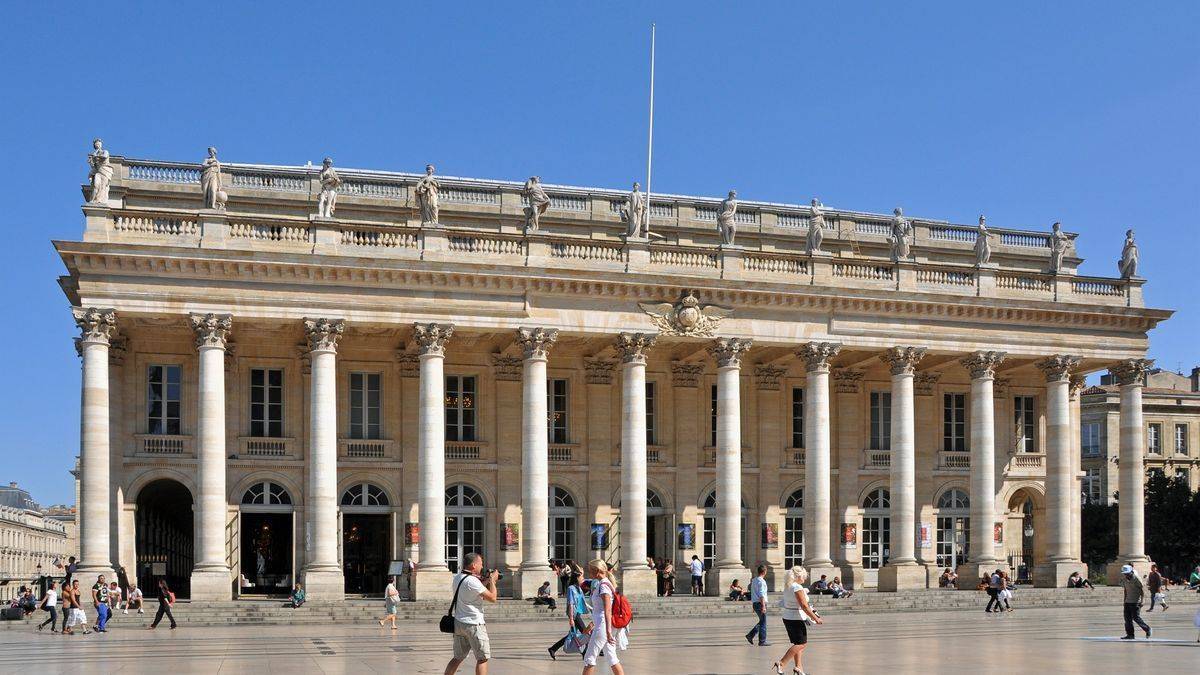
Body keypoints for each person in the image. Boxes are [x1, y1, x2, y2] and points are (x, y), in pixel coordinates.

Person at [445, 552, 498, 675]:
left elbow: (473, 589)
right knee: (482, 658)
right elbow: (492, 598)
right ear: (474, 565)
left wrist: (485, 582)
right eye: (481, 564)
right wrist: (493, 582)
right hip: (474, 624)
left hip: (459, 623)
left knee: (458, 657)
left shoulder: (458, 577)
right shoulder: (472, 581)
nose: (482, 566)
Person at [773, 565, 823, 675]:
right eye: (804, 577)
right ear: (798, 576)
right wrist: (816, 618)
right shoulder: (797, 587)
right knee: (802, 644)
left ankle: (798, 667)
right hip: (796, 618)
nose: (804, 579)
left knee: (797, 643)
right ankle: (781, 663)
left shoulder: (788, 586)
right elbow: (804, 606)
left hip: (787, 617)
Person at [581, 559, 626, 675]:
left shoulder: (604, 586)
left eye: (590, 570)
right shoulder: (603, 583)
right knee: (611, 657)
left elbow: (607, 610)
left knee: (589, 658)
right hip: (602, 624)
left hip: (603, 626)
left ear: (597, 571)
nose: (588, 572)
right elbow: (600, 610)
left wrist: (608, 631)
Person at [548, 569, 588, 660]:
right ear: (577, 578)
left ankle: (553, 649)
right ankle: (585, 652)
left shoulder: (579, 589)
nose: (583, 579)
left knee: (572, 634)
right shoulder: (571, 588)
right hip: (574, 615)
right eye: (581, 577)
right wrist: (571, 618)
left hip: (577, 613)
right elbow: (570, 603)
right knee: (585, 632)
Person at [1119, 564, 1151, 639]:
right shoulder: (1124, 579)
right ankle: (1130, 635)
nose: (1126, 575)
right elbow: (1125, 590)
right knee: (1127, 619)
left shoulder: (1137, 579)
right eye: (1124, 573)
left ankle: (1147, 629)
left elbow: (1142, 590)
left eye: (1127, 573)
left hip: (1136, 601)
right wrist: (1124, 601)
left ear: (1131, 572)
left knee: (1136, 618)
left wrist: (1143, 600)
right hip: (1128, 601)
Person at [744, 564, 769, 646]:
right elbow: (761, 594)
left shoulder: (754, 580)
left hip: (755, 603)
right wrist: (763, 606)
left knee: (762, 621)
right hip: (760, 603)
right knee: (763, 622)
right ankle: (762, 640)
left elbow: (754, 593)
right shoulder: (761, 581)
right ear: (764, 572)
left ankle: (750, 635)